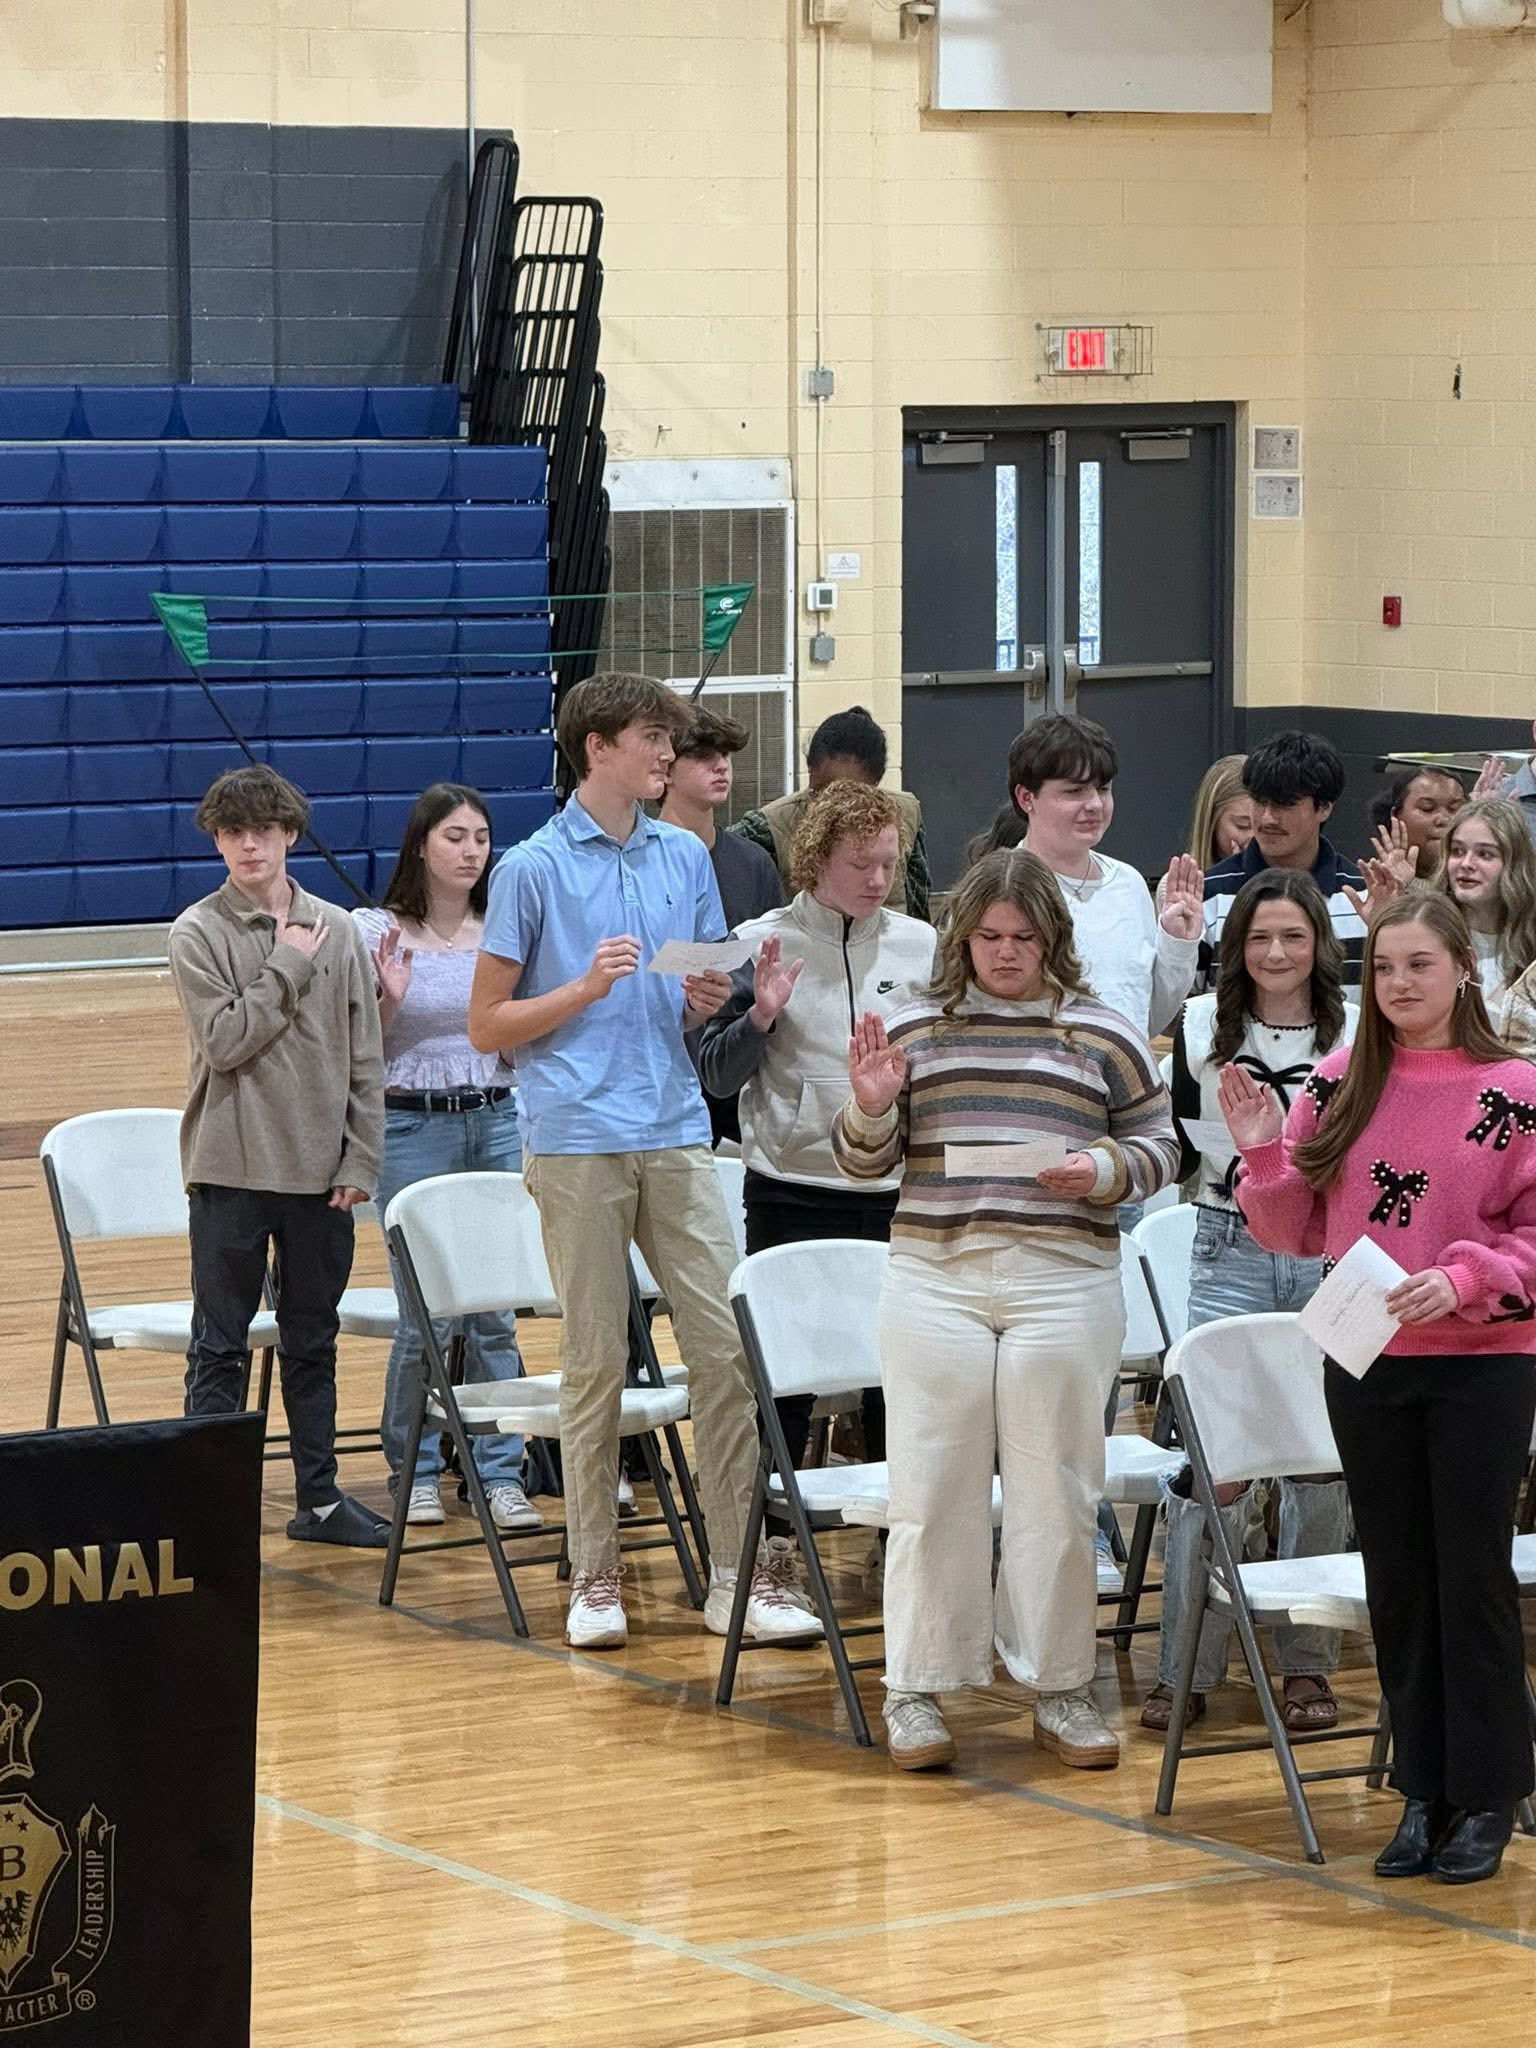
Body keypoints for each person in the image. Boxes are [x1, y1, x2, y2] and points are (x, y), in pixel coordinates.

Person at [468, 669, 822, 1651]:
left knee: (725, 1351)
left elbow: (695, 988)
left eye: (671, 739)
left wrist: (713, 998)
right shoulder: (531, 869)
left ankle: (737, 1575)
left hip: (674, 1127)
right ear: (598, 749)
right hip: (575, 1137)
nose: (669, 754)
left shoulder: (684, 855)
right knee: (594, 1361)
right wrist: (582, 988)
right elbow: (487, 1023)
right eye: (653, 738)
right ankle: (594, 1574)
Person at [831, 847, 1180, 1774]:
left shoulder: (1102, 1031)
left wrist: (1102, 1169)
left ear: (1052, 938)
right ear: (962, 939)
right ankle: (916, 1687)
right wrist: (871, 1110)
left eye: (1023, 937)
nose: (1005, 952)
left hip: (1064, 1278)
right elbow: (861, 1162)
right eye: (988, 936)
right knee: (929, 1488)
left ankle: (1060, 1686)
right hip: (936, 1276)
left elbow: (1160, 1145)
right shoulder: (913, 1026)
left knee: (1057, 1493)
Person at [1226, 892, 1536, 1885]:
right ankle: (1423, 1788)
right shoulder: (1339, 1082)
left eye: (1419, 964)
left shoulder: (1516, 1087)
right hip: (1367, 1359)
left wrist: (1468, 1277)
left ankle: (1487, 1792)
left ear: (1463, 969)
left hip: (1482, 1364)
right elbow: (1295, 1231)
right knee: (1398, 1579)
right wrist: (1263, 1149)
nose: (1399, 983)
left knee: (1471, 1578)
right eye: (1385, 967)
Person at [1141, 870, 1356, 1733]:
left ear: (1319, 946)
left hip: (1328, 1250)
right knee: (1216, 1466)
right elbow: (1189, 1144)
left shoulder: (1355, 1028)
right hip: (1227, 1241)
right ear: (1236, 948)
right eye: (1259, 937)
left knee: (1319, 1460)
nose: (1275, 952)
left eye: (1293, 937)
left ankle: (1306, 1667)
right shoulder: (1201, 1024)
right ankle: (1184, 1667)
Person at [168, 765, 388, 1547]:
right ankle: (206, 1513)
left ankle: (319, 1500)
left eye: (262, 830)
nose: (248, 845)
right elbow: (225, 1041)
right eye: (232, 832)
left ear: (290, 834)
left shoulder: (340, 928)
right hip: (228, 1170)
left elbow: (366, 1054)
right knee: (218, 1346)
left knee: (312, 1345)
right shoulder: (196, 932)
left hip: (321, 1178)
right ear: (217, 841)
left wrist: (360, 1160)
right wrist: (288, 963)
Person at [698, 780, 937, 1469]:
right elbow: (715, 1075)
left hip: (893, 1190)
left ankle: (897, 1521)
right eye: (861, 863)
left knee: (895, 1382)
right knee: (786, 1386)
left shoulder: (922, 945)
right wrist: (760, 1017)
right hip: (789, 1188)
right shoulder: (755, 943)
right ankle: (773, 1526)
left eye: (888, 862)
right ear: (815, 858)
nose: (879, 879)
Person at [351, 784, 542, 1535]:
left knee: (493, 1311)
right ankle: (416, 1470)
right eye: (455, 837)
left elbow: (519, 1029)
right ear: (421, 844)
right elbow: (356, 1049)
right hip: (410, 1126)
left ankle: (500, 1473)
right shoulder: (377, 929)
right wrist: (390, 1001)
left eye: (481, 838)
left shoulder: (504, 930)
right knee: (424, 1314)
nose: (471, 852)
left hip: (493, 1118)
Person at [1007, 713, 1203, 1039]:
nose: (1095, 805)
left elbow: (1147, 1015)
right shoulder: (1001, 889)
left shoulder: (1128, 884)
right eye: (1075, 791)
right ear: (1027, 798)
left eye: (1103, 789)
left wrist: (1177, 944)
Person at [659, 703, 782, 1146]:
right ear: (666, 770)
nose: (721, 766)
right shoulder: (637, 864)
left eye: (726, 755)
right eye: (704, 756)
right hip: (664, 1071)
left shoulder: (754, 863)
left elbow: (771, 963)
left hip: (739, 1064)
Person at [734, 705, 930, 920]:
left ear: (876, 782)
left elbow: (918, 905)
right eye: (822, 791)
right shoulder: (770, 825)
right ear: (811, 771)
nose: (832, 804)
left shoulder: (906, 813)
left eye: (849, 796)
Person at [1201, 730, 1367, 985]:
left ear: (1324, 807)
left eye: (1284, 804)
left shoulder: (1361, 895)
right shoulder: (1209, 893)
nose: (1268, 818)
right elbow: (1179, 1000)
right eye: (1259, 801)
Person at [1423, 797, 1536, 1033]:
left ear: (1514, 864)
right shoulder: (1425, 932)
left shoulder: (1530, 944)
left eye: (1485, 854)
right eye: (1457, 851)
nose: (1466, 863)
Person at [1367, 767, 1464, 876]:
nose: (1444, 820)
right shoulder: (1371, 882)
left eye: (1455, 808)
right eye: (1427, 808)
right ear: (1395, 816)